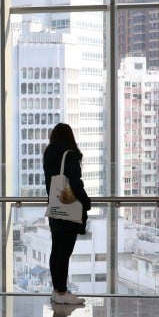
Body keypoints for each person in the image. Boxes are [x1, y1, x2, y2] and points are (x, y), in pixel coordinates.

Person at [43, 123, 91, 305]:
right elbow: (76, 184)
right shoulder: (69, 155)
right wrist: (86, 202)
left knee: (56, 251)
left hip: (55, 206)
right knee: (64, 252)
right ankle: (62, 292)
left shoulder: (48, 153)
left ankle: (57, 290)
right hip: (68, 207)